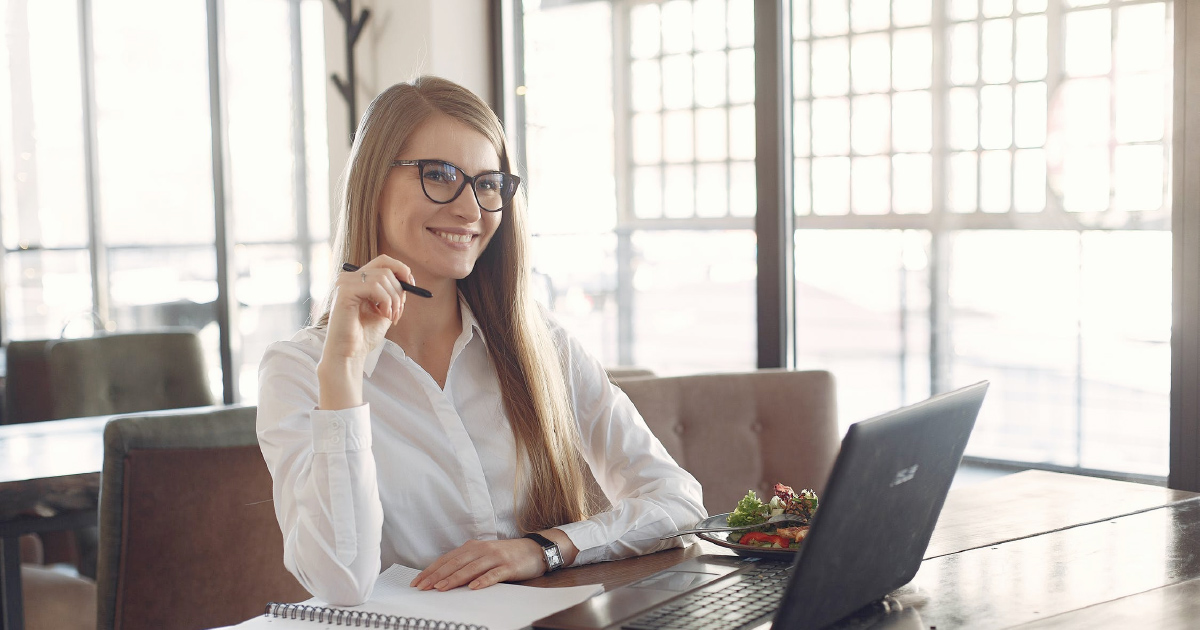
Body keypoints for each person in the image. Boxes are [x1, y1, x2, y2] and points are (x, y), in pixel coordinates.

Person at [256, 75, 706, 606]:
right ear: (373, 183)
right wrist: (344, 373)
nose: (471, 209)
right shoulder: (299, 370)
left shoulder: (540, 344)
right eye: (440, 175)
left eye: (488, 183)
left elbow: (678, 502)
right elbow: (339, 582)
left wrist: (547, 548)